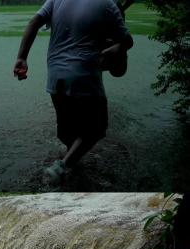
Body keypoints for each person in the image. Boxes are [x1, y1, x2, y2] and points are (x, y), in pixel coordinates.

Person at [14, 0, 133, 183]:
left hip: (56, 77)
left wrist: (22, 57)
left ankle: (72, 172)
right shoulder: (108, 4)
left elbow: (33, 23)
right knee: (97, 128)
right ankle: (60, 169)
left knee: (67, 132)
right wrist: (117, 47)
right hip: (83, 76)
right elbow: (127, 42)